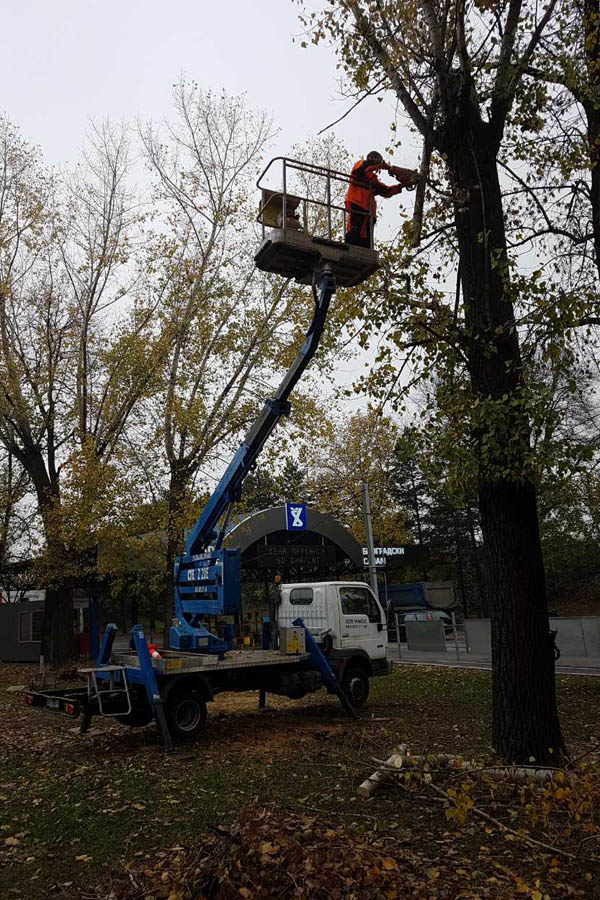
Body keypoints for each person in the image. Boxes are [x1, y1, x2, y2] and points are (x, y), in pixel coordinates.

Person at [345, 151, 418, 248]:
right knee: (355, 229)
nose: (375, 160)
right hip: (357, 203)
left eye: (377, 158)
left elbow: (385, 191)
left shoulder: (372, 179)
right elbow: (358, 172)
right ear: (368, 157)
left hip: (369, 209)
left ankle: (366, 252)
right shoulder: (361, 164)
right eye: (373, 157)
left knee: (367, 237)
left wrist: (401, 186)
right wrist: (381, 166)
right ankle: (349, 247)